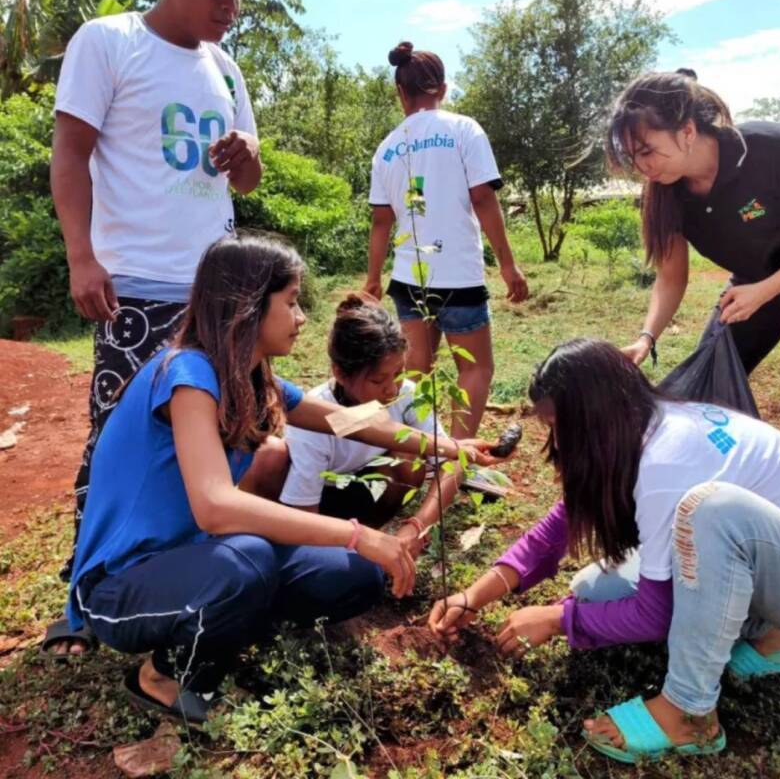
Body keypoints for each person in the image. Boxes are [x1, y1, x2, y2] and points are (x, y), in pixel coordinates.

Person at [67, 234, 502, 724]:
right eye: (292, 303)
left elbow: (346, 418)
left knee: (356, 575)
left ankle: (229, 626)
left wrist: (446, 446)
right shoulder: (187, 374)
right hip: (121, 584)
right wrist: (359, 535)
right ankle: (162, 676)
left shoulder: (251, 375)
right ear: (248, 307)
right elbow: (217, 507)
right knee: (248, 558)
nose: (301, 318)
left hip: (196, 557)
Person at [429, 339, 780, 762]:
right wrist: (474, 595)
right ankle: (774, 633)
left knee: (711, 510)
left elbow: (656, 612)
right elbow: (558, 526)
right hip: (773, 566)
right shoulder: (644, 426)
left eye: (558, 426)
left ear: (593, 416)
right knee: (596, 587)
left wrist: (556, 619)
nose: (557, 441)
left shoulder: (664, 460)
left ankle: (689, 714)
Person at [46, 0, 266, 655]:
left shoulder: (225, 69)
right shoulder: (109, 43)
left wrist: (246, 159)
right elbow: (71, 152)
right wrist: (82, 256)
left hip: (219, 293)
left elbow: (250, 181)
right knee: (117, 438)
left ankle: (188, 572)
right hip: (136, 287)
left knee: (230, 428)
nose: (230, 3)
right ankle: (85, 598)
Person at [606, 71, 780, 419]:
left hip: (776, 279)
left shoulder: (771, 150)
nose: (642, 166)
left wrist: (764, 291)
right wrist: (645, 339)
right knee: (707, 388)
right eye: (633, 156)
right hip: (753, 284)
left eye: (648, 150)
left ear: (688, 131)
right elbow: (670, 277)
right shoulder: (666, 191)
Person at [364, 41, 529, 441]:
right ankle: (458, 457)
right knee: (474, 368)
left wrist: (371, 279)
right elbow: (483, 198)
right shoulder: (463, 130)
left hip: (407, 279)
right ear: (442, 88)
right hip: (459, 278)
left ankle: (423, 450)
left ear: (400, 93)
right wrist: (508, 264)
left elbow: (381, 221)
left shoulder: (386, 149)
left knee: (417, 368)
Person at [277, 293, 463, 558]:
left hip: (371, 494)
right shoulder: (313, 419)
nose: (392, 389)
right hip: (323, 508)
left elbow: (451, 460)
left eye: (399, 374)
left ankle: (375, 533)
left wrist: (416, 526)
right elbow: (302, 512)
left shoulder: (408, 395)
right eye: (378, 381)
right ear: (340, 373)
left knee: (409, 455)